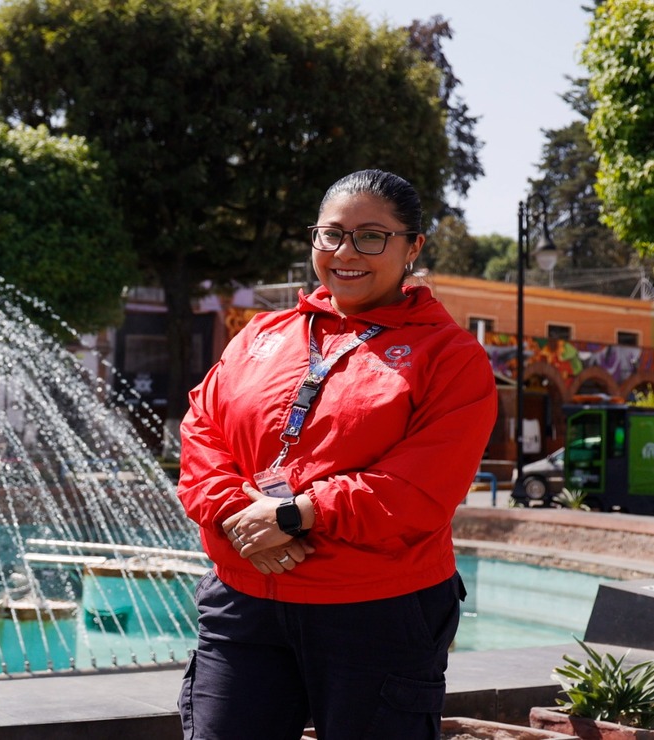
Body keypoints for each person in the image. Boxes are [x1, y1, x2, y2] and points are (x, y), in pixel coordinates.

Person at [176, 169, 498, 739]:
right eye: (331, 234)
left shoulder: (450, 357)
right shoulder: (260, 335)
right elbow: (202, 429)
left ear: (413, 247)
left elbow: (421, 488)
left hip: (377, 611)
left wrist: (297, 514)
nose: (346, 252)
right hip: (246, 598)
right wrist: (236, 515)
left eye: (371, 236)